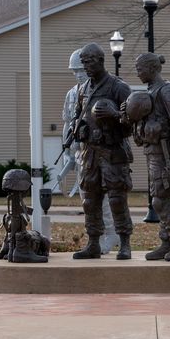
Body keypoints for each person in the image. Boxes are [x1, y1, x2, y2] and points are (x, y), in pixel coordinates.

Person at [71, 43, 134, 260]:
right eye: (84, 62)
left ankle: (125, 242)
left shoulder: (119, 87)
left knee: (117, 199)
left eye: (89, 62)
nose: (86, 66)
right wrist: (76, 128)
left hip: (113, 151)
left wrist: (115, 114)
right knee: (90, 200)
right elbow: (77, 115)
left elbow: (132, 124)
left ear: (100, 60)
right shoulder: (83, 89)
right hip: (90, 152)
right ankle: (93, 242)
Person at [129, 52, 170, 261]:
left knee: (159, 200)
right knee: (161, 196)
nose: (138, 73)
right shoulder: (151, 91)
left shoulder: (167, 91)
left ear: (152, 68)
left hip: (165, 154)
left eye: (140, 69)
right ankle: (167, 242)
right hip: (152, 151)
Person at [60, 48, 119, 254]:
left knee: (104, 198)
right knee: (88, 199)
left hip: (102, 151)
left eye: (81, 69)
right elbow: (69, 123)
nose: (78, 74)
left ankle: (111, 234)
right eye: (74, 71)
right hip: (81, 153)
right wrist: (66, 149)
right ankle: (96, 237)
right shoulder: (73, 94)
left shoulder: (107, 87)